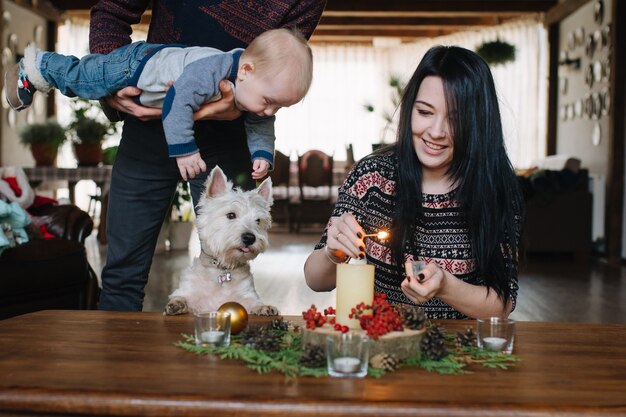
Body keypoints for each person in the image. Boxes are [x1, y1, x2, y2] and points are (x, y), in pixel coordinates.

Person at [85, 0, 325, 311]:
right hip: (149, 124)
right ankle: (113, 359)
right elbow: (111, 8)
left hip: (229, 135)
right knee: (122, 272)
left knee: (231, 264)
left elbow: (280, 67)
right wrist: (113, 81)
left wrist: (245, 122)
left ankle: (223, 354)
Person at [304, 45, 524, 320]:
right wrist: (332, 253)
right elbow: (315, 279)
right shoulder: (372, 175)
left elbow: (502, 303)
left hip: (460, 352)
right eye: (425, 112)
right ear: (410, 109)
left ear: (478, 123)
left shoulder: (495, 187)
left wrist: (445, 285)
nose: (435, 132)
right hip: (382, 344)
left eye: (455, 120)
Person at [5, 28, 313, 181]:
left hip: (147, 87)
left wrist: (262, 153)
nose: (270, 111)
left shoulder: (253, 89)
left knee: (85, 81)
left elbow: (261, 124)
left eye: (280, 108)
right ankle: (39, 66)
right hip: (135, 66)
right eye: (269, 102)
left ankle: (39, 71)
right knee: (85, 80)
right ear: (246, 71)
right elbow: (177, 105)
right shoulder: (211, 70)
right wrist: (186, 151)